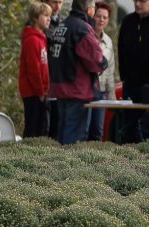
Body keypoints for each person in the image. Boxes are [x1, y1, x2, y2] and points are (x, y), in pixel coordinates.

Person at [48, 0, 106, 145]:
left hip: (59, 88)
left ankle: (56, 165)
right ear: (89, 9)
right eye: (93, 7)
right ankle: (67, 167)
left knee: (61, 133)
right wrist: (103, 62)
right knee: (74, 138)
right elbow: (95, 61)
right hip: (77, 90)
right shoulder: (82, 29)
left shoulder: (62, 25)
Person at [118, 0, 149, 144]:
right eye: (135, 0)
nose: (138, 4)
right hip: (130, 84)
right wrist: (124, 76)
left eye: (142, 1)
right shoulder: (127, 21)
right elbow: (121, 50)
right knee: (129, 127)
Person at [18, 2, 52, 138]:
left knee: (41, 126)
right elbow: (34, 69)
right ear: (35, 18)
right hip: (33, 92)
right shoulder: (32, 40)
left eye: (49, 16)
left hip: (41, 91)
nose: (49, 19)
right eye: (45, 16)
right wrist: (40, 91)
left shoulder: (41, 38)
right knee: (33, 128)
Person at [87, 1, 116, 141]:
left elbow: (110, 71)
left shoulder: (108, 41)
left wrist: (112, 98)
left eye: (105, 17)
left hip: (102, 92)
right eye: (99, 16)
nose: (101, 20)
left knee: (98, 132)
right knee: (84, 131)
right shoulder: (86, 36)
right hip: (86, 91)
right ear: (93, 16)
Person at [44, 0, 64, 141]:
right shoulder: (40, 25)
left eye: (60, 2)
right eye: (54, 2)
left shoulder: (63, 24)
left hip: (59, 80)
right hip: (46, 80)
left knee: (57, 123)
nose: (57, 6)